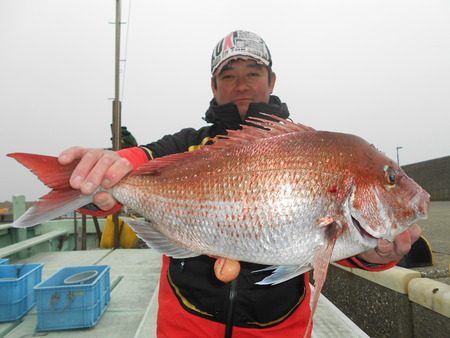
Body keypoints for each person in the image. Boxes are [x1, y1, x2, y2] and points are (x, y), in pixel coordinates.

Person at [58, 30, 422, 338]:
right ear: (214, 86)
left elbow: (339, 244)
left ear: (272, 81)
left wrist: (375, 253)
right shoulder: (187, 145)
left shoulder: (312, 149)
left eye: (253, 72)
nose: (242, 85)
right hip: (185, 326)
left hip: (279, 330)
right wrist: (104, 172)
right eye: (228, 75)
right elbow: (139, 161)